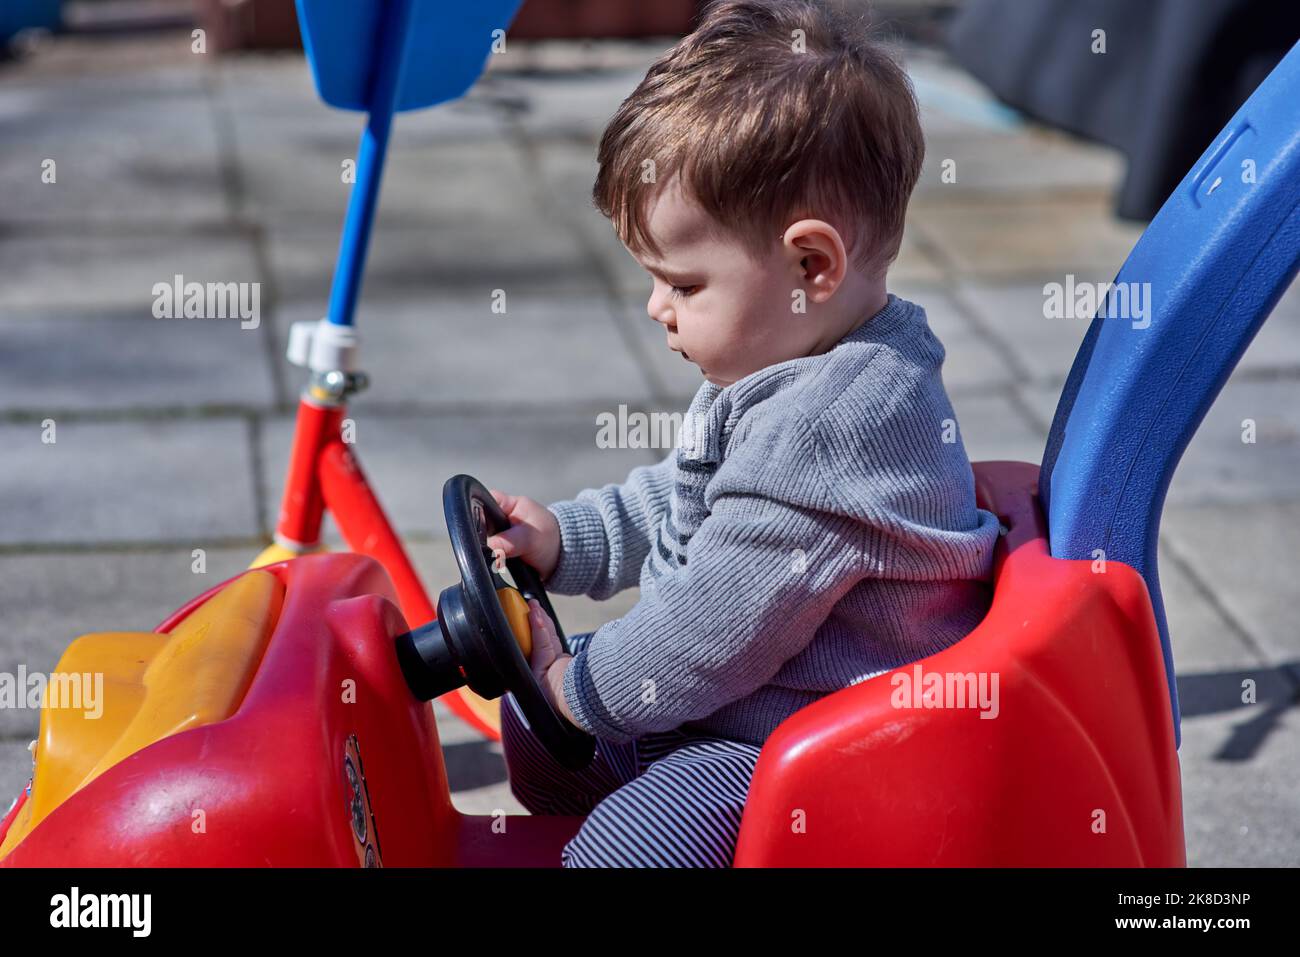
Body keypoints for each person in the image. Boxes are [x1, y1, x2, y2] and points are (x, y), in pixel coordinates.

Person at [486, 0, 1001, 867]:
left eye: (683, 284)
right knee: (538, 732)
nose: (657, 308)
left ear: (811, 266)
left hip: (806, 744)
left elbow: (707, 634)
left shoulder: (834, 428)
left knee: (619, 847)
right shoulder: (799, 356)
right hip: (749, 700)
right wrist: (567, 538)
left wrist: (581, 688)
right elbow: (692, 493)